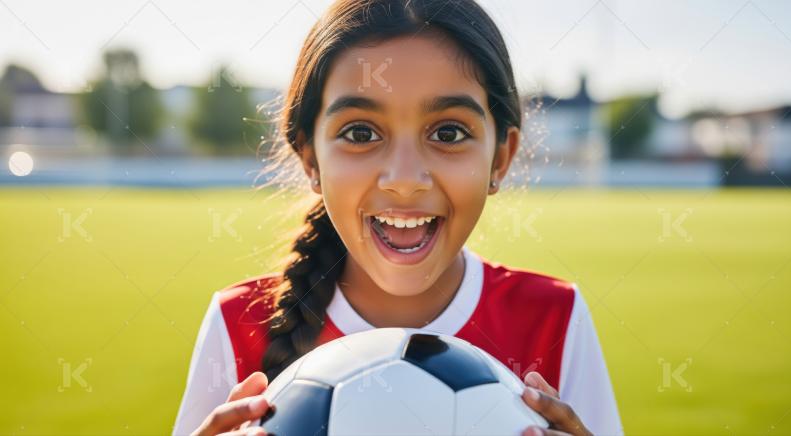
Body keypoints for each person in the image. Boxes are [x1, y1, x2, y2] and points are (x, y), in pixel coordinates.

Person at [173, 0, 623, 434]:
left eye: (448, 133)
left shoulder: (554, 318)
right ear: (311, 158)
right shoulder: (238, 326)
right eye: (361, 133)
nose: (405, 179)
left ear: (500, 158)